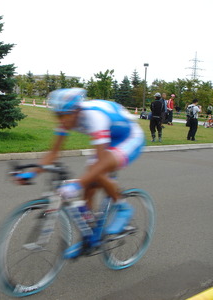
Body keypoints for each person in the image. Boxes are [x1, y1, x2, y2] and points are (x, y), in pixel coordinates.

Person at [15, 88, 145, 257]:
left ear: (76, 111)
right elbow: (53, 153)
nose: (61, 120)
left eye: (64, 115)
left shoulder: (94, 117)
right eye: (57, 115)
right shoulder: (66, 119)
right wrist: (33, 173)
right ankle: (90, 237)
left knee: (95, 171)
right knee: (89, 187)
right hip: (109, 138)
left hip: (129, 137)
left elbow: (103, 161)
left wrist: (76, 184)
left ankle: (122, 207)